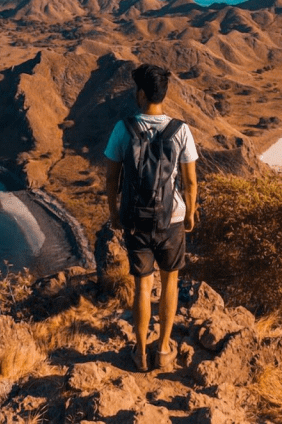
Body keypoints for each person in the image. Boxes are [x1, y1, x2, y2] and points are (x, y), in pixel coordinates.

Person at [104, 63, 198, 372]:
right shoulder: (180, 130)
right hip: (171, 220)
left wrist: (115, 214)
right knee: (170, 282)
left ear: (141, 94)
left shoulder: (123, 128)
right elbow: (190, 181)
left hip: (135, 219)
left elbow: (111, 179)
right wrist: (190, 215)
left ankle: (141, 352)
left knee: (142, 286)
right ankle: (163, 350)